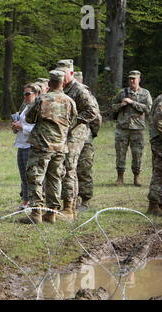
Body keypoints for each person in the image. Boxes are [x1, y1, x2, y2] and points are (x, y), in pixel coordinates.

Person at [19, 70, 77, 224]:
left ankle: (36, 213)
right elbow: (73, 121)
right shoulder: (69, 101)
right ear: (63, 83)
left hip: (41, 146)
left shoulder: (42, 99)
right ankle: (51, 214)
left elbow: (30, 119)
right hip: (60, 147)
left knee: (35, 177)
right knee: (55, 179)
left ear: (50, 83)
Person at [56, 59, 98, 221]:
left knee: (70, 167)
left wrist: (74, 121)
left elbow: (92, 112)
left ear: (71, 73)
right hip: (62, 134)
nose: (61, 76)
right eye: (58, 73)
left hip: (76, 134)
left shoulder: (79, 90)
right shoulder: (60, 89)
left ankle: (70, 207)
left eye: (63, 74)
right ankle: (61, 202)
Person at [109, 70, 153, 186]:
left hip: (137, 129)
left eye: (134, 78)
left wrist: (132, 103)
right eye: (130, 78)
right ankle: (120, 178)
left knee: (137, 154)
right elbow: (112, 107)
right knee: (120, 153)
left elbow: (149, 109)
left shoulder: (145, 93)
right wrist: (121, 105)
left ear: (139, 79)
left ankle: (136, 177)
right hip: (122, 128)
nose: (132, 81)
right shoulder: (122, 93)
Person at [74, 72, 102, 211]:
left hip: (84, 139)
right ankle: (73, 200)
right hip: (70, 139)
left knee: (84, 169)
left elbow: (96, 118)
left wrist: (91, 134)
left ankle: (85, 200)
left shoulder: (86, 96)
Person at [11, 83, 40, 210]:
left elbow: (38, 128)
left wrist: (22, 127)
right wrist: (15, 126)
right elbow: (22, 125)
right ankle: (25, 201)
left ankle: (34, 203)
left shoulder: (38, 108)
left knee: (31, 176)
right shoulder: (26, 107)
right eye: (24, 94)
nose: (25, 96)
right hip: (21, 144)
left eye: (28, 94)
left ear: (36, 94)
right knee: (23, 175)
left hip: (31, 145)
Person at [146, 91, 162, 216]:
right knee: (160, 172)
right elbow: (160, 124)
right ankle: (153, 205)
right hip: (160, 143)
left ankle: (160, 203)